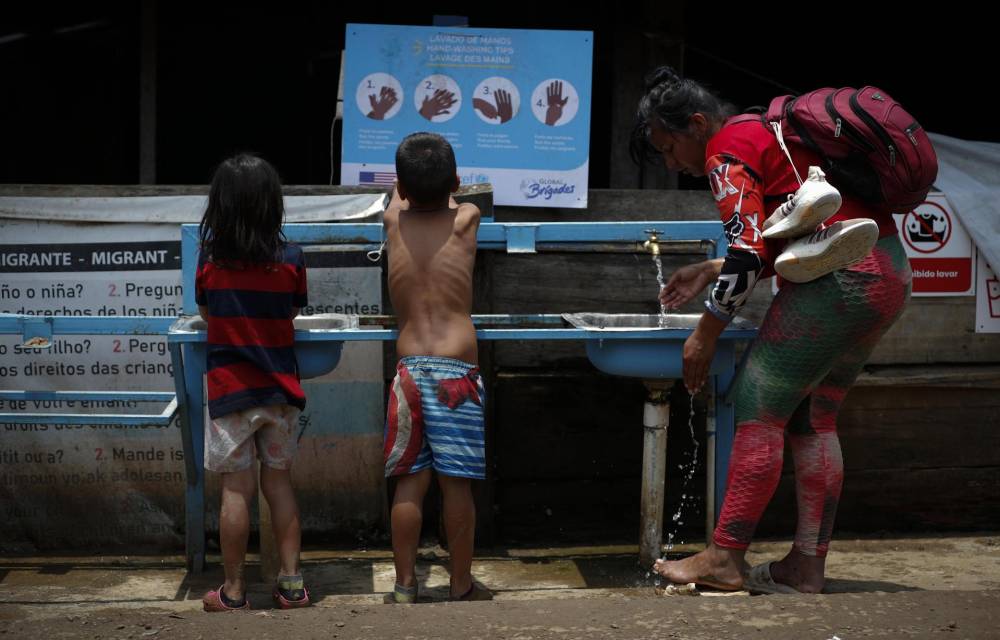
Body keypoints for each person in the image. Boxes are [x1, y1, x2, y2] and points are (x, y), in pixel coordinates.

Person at [631, 67, 911, 593]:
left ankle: (725, 558)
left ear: (696, 124)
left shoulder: (724, 150)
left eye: (669, 149)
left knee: (758, 408)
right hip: (888, 271)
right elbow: (786, 239)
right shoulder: (767, 129)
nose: (672, 164)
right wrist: (710, 270)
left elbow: (745, 251)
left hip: (840, 282)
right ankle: (806, 564)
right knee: (814, 419)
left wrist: (705, 334)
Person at [195, 153, 311, 611]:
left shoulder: (209, 261)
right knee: (279, 486)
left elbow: (207, 313)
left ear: (219, 206)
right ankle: (292, 586)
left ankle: (234, 591)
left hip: (230, 395)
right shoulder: (291, 259)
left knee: (236, 490)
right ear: (273, 205)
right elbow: (293, 310)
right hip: (280, 394)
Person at [381, 132, 492, 603]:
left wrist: (402, 189)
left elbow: (393, 199)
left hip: (408, 371)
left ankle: (405, 584)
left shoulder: (391, 221)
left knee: (409, 483)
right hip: (456, 374)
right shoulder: (467, 219)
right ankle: (460, 582)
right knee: (456, 485)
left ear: (402, 189)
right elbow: (466, 198)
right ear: (455, 182)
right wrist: (453, 186)